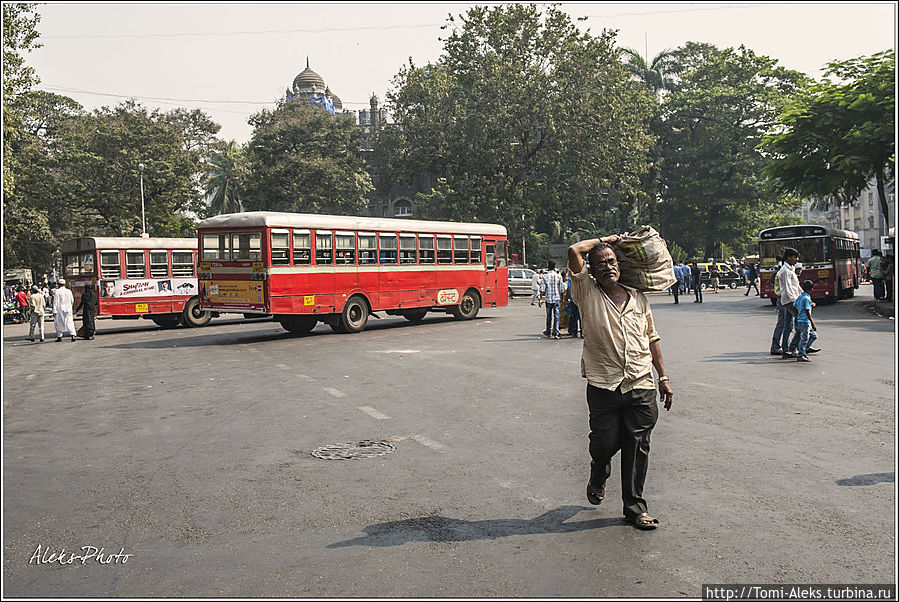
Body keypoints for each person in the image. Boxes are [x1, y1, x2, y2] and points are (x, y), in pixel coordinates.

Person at [567, 237, 673, 530]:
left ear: (620, 266)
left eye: (612, 262)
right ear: (593, 271)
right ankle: (599, 470)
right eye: (601, 264)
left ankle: (634, 507)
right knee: (604, 444)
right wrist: (608, 241)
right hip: (604, 385)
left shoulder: (638, 297)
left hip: (641, 382)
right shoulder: (586, 292)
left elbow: (651, 337)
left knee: (638, 446)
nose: (608, 267)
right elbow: (575, 251)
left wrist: (663, 377)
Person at [777, 248, 803, 359]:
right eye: (794, 257)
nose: (796, 260)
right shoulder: (785, 271)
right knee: (801, 324)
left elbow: (796, 286)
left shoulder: (791, 269)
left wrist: (804, 296)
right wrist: (796, 302)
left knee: (788, 326)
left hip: (792, 300)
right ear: (788, 257)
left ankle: (785, 349)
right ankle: (793, 346)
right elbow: (788, 289)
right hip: (789, 301)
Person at [794, 280, 818, 362]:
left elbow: (795, 305)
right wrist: (813, 323)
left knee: (813, 336)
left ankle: (804, 350)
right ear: (811, 289)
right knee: (804, 338)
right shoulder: (807, 298)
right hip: (805, 321)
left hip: (799, 319)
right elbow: (807, 312)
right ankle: (801, 354)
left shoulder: (801, 297)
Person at [539, 261, 564, 339]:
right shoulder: (558, 276)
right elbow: (561, 289)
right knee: (557, 316)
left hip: (548, 299)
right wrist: (562, 298)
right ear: (554, 267)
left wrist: (540, 299)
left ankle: (549, 331)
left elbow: (542, 289)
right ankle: (556, 332)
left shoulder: (544, 277)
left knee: (549, 316)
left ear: (548, 267)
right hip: (556, 298)